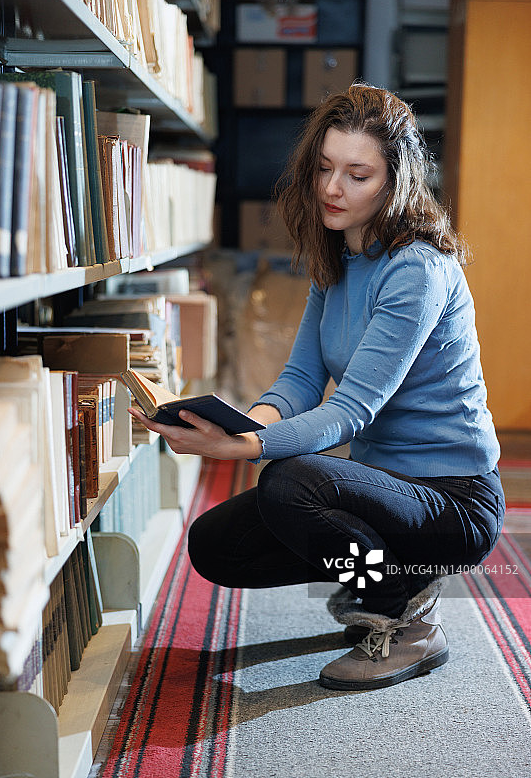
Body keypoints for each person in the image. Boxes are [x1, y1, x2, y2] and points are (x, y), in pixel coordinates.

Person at [129, 83, 505, 692]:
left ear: (395, 181)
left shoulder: (417, 269)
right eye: (326, 169)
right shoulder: (338, 256)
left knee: (288, 479)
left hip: (453, 502)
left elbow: (351, 408)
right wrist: (242, 422)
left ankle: (402, 614)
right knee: (214, 546)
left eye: (358, 175)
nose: (334, 188)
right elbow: (302, 378)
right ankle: (391, 578)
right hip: (387, 489)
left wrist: (252, 449)